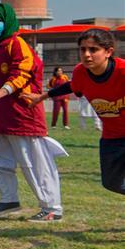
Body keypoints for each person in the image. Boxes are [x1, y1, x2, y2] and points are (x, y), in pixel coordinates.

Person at [0, 3, 66, 222]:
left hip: (21, 114)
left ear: (7, 21)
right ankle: (9, 199)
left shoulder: (17, 44)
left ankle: (51, 207)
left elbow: (20, 76)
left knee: (32, 162)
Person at [24, 29, 123, 194]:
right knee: (111, 183)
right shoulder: (81, 73)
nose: (87, 54)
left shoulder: (122, 71)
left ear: (108, 52)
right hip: (112, 138)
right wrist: (43, 96)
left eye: (93, 49)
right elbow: (72, 85)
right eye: (83, 49)